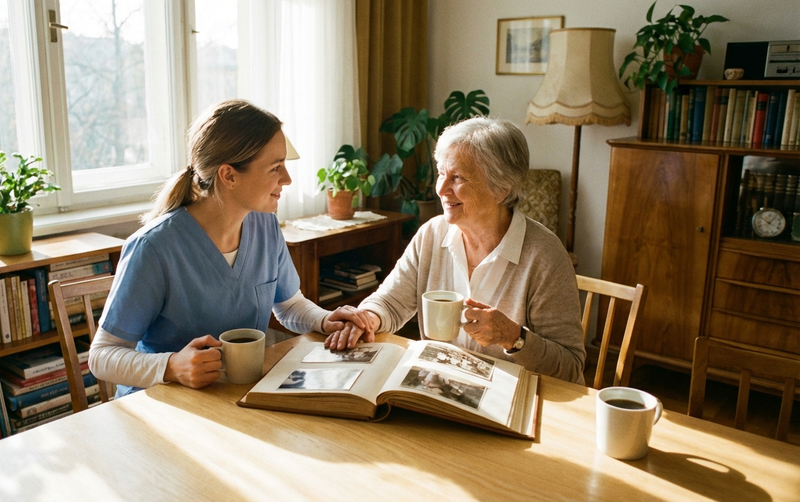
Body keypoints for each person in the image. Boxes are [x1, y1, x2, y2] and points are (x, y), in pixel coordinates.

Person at [90, 99, 369, 397]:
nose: (287, 179)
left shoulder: (266, 225)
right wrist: (172, 366)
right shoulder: (154, 247)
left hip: (234, 396)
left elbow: (288, 305)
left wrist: (324, 319)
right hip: (162, 406)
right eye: (275, 168)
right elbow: (102, 356)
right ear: (229, 175)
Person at [324, 116, 586, 385]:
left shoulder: (545, 256)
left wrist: (514, 337)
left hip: (510, 403)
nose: (440, 189)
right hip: (438, 389)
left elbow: (570, 367)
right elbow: (390, 302)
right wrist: (365, 318)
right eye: (441, 173)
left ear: (501, 189)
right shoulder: (432, 234)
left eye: (457, 177)